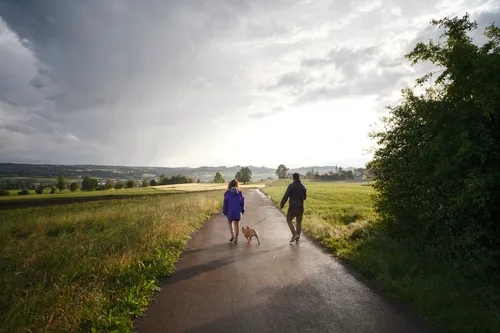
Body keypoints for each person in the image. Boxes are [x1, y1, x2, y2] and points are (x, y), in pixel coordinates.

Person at [280, 173, 307, 242]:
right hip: (301, 207)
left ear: (293, 178)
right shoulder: (303, 187)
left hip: (293, 207)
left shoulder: (291, 186)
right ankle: (297, 237)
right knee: (299, 222)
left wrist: (282, 204)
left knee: (289, 220)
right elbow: (305, 198)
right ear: (299, 178)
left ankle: (294, 234)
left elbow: (286, 196)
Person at [222, 179, 245, 244]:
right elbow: (242, 202)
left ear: (230, 185)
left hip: (230, 211)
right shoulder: (239, 193)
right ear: (236, 185)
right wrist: (242, 210)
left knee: (229, 222)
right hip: (237, 211)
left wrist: (224, 211)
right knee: (236, 224)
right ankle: (236, 239)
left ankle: (232, 235)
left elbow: (225, 203)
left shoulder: (227, 193)